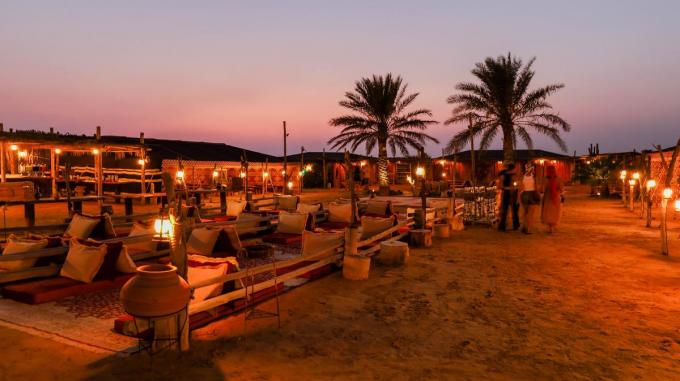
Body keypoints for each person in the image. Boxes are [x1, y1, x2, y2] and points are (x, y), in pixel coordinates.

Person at [541, 165, 564, 233]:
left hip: (547, 197)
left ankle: (550, 227)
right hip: (555, 198)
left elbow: (542, 188)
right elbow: (561, 188)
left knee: (548, 212)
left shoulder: (545, 178)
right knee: (555, 212)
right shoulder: (558, 178)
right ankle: (552, 227)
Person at [497, 163, 519, 231]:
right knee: (509, 209)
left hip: (509, 192)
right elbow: (500, 185)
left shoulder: (505, 175)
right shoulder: (505, 175)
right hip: (509, 192)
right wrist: (509, 188)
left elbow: (515, 185)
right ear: (512, 168)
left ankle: (508, 225)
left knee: (510, 209)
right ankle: (507, 225)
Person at [519, 163, 540, 234]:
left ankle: (524, 226)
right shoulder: (534, 177)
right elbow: (536, 188)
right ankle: (528, 229)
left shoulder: (522, 177)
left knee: (525, 213)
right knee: (530, 214)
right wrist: (538, 196)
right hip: (532, 194)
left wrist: (519, 198)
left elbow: (521, 188)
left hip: (524, 194)